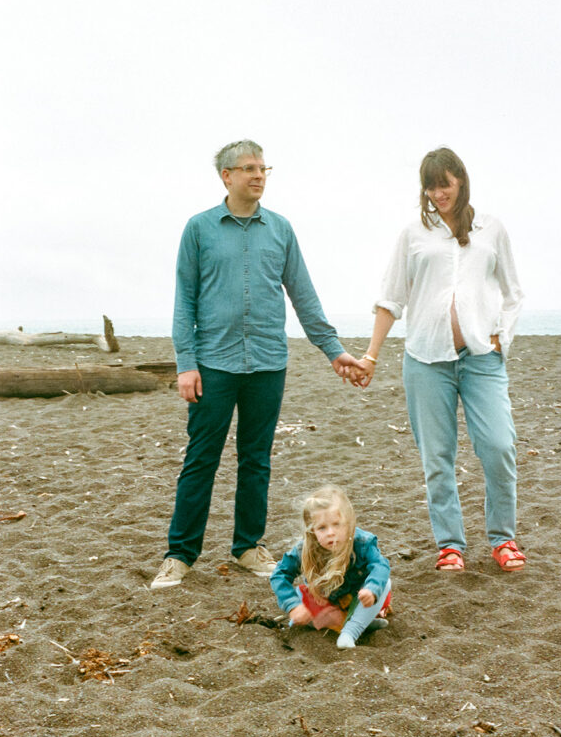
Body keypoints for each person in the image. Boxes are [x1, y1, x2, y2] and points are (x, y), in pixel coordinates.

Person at [151, 140, 364, 589]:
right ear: (225, 176)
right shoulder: (199, 229)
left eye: (263, 168)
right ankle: (180, 555)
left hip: (268, 362)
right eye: (248, 168)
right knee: (200, 460)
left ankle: (248, 546)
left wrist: (333, 350)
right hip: (213, 364)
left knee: (256, 459)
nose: (258, 175)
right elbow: (183, 301)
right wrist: (185, 364)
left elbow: (303, 295)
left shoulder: (281, 229)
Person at [353, 147, 526, 573]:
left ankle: (503, 539)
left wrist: (501, 336)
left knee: (499, 446)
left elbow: (513, 292)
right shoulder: (414, 234)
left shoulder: (492, 229)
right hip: (426, 360)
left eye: (444, 184)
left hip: (481, 358)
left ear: (460, 180)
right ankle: (450, 544)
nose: (437, 193)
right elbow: (391, 297)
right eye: (430, 187)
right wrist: (372, 355)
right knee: (437, 457)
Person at [270, 484, 391, 649]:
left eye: (337, 524)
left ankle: (351, 631)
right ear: (312, 530)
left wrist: (371, 589)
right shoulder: (305, 548)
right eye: (322, 528)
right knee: (302, 603)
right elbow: (279, 575)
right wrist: (293, 606)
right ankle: (360, 623)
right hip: (325, 602)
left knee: (385, 584)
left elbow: (381, 565)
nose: (330, 533)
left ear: (348, 523)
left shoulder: (362, 543)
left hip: (357, 599)